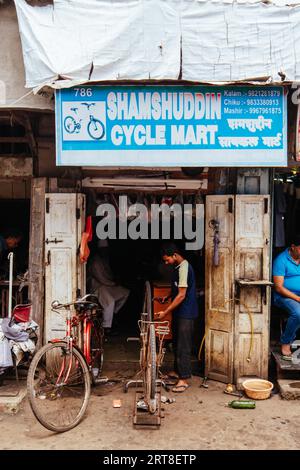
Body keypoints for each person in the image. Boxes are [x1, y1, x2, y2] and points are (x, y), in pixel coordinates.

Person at [155, 243, 198, 392]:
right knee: (177, 343)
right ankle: (176, 371)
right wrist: (166, 298)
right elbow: (176, 290)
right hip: (179, 312)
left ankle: (184, 378)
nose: (166, 263)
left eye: (167, 260)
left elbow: (181, 294)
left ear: (175, 255)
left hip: (186, 312)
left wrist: (165, 312)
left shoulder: (185, 268)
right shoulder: (178, 268)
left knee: (183, 346)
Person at [88, 240, 130, 335]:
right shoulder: (95, 262)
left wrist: (115, 281)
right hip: (98, 287)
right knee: (110, 301)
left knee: (125, 292)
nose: (105, 252)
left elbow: (109, 274)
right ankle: (106, 327)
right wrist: (114, 283)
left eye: (106, 249)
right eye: (103, 250)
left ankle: (113, 314)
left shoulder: (105, 260)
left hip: (107, 285)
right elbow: (101, 279)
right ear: (100, 250)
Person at [273, 236, 300, 360]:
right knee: (298, 312)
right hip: (284, 296)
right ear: (293, 247)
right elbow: (279, 287)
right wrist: (298, 298)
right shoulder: (281, 260)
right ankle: (286, 342)